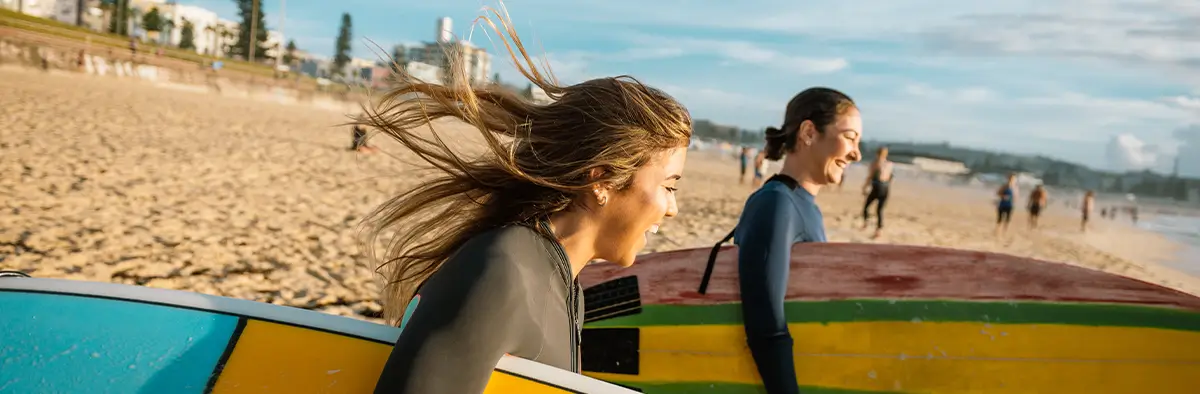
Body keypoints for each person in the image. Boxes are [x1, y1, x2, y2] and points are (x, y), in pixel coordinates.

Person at [363, 10, 693, 394]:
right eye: (669, 187)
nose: (672, 209)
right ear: (601, 180)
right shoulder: (501, 272)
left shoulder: (568, 291)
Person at [732, 87, 862, 394]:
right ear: (808, 132)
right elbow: (767, 328)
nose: (857, 153)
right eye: (850, 137)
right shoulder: (776, 204)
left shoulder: (805, 207)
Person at [861, 146, 893, 239]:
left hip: (877, 187)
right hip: (886, 188)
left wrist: (864, 187)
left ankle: (866, 223)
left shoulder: (875, 163)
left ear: (877, 153)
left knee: (866, 206)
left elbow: (870, 176)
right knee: (880, 210)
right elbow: (890, 177)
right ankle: (878, 230)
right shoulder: (890, 164)